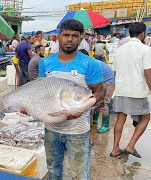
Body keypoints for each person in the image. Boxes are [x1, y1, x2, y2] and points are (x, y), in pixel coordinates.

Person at [39, 19, 104, 179]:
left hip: (78, 131)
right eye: (66, 35)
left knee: (79, 175)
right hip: (52, 129)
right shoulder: (45, 63)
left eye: (74, 36)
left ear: (81, 38)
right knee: (53, 171)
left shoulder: (90, 64)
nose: (69, 39)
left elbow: (99, 92)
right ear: (58, 37)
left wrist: (84, 108)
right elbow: (40, 92)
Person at [110, 22, 151, 158]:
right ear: (142, 34)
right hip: (137, 90)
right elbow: (147, 73)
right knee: (145, 118)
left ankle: (115, 149)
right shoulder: (145, 49)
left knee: (121, 118)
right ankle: (130, 146)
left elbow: (115, 71)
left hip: (121, 89)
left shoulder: (120, 49)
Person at [92, 60, 115, 133]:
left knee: (104, 103)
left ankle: (105, 125)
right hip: (102, 81)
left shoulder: (93, 65)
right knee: (96, 100)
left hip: (108, 82)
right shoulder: (92, 62)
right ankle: (95, 120)